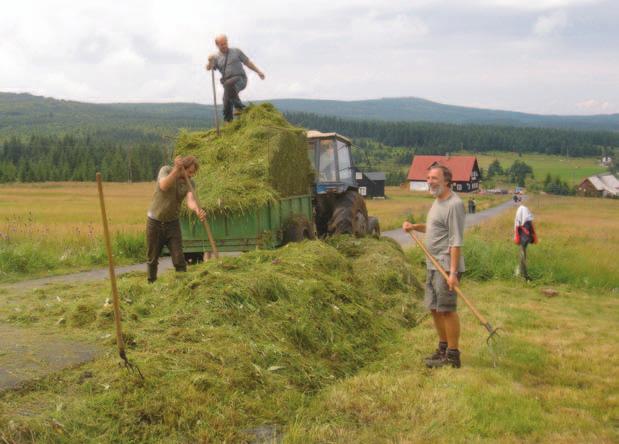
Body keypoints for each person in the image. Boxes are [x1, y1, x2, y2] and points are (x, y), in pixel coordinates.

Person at [402, 165, 466, 368]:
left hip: (446, 266)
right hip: (432, 264)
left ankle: (453, 356)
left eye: (435, 178)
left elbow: (456, 241)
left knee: (447, 310)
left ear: (447, 181)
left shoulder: (454, 204)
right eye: (428, 177)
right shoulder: (437, 202)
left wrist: (453, 273)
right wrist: (414, 227)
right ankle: (443, 349)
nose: (430, 181)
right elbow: (433, 228)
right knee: (435, 309)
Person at [146, 156, 206, 283]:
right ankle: (151, 284)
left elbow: (190, 201)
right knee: (152, 258)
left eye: (193, 173)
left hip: (172, 223)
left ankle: (182, 284)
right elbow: (163, 186)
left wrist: (197, 210)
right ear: (182, 168)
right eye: (189, 172)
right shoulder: (166, 171)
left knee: (179, 258)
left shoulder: (190, 183)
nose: (191, 175)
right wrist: (176, 171)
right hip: (155, 221)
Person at [205, 34, 265, 122]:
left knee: (228, 84)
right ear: (217, 45)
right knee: (226, 103)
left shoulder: (236, 51)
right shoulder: (216, 57)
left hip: (240, 79)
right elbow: (209, 68)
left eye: (225, 43)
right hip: (228, 84)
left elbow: (247, 62)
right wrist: (210, 61)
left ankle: (239, 107)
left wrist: (258, 72)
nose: (224, 46)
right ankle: (228, 124)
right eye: (222, 44)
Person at [514, 204, 537, 281]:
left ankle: (522, 275)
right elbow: (530, 232)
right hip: (524, 241)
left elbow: (517, 229)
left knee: (522, 256)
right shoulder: (527, 221)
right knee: (522, 257)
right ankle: (523, 275)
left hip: (523, 241)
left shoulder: (521, 221)